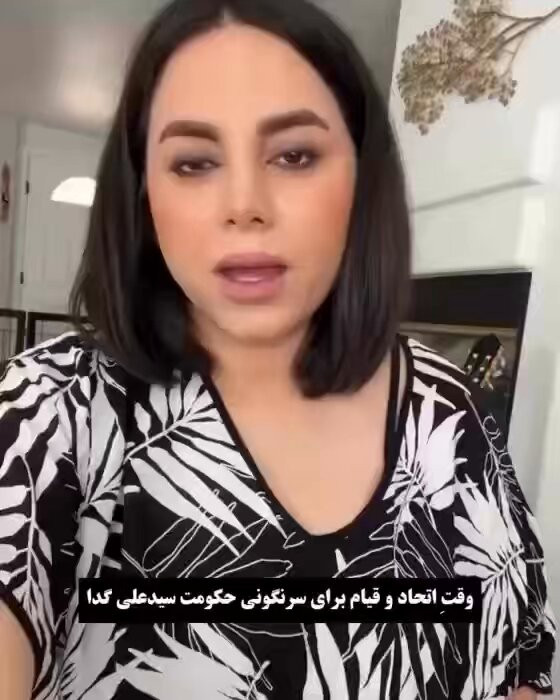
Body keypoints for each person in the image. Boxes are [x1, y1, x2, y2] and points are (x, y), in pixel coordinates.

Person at [0, 0, 555, 697]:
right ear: (142, 194)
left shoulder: (453, 412)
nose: (245, 204)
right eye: (194, 162)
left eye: (295, 155)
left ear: (362, 179)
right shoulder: (49, 411)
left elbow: (520, 665)